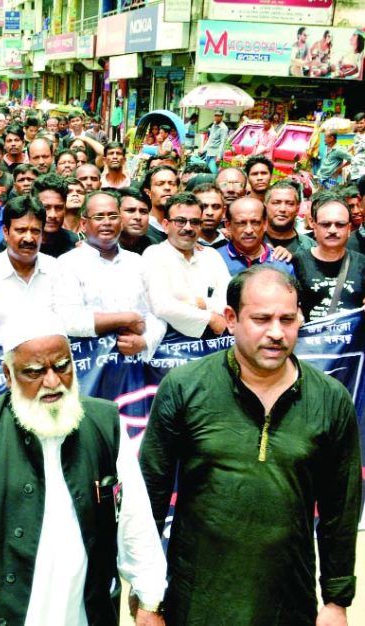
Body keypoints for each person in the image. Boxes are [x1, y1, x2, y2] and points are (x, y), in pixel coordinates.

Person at [0, 319, 167, 626]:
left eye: (62, 366)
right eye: (34, 372)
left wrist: (149, 596)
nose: (52, 381)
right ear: (8, 376)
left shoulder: (106, 424)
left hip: (81, 612)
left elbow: (135, 521)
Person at [140, 265, 361, 625]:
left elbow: (341, 509)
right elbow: (150, 496)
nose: (276, 332)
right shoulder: (185, 387)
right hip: (196, 600)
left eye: (287, 319)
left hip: (288, 599)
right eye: (261, 319)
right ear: (231, 319)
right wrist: (146, 597)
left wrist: (336, 601)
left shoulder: (330, 399)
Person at [56, 191, 165, 359]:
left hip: (135, 364)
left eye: (113, 216)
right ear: (84, 224)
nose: (107, 222)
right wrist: (126, 319)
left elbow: (157, 312)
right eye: (99, 217)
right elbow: (70, 320)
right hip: (90, 366)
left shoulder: (137, 262)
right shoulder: (67, 263)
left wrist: (145, 342)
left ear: (121, 222)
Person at [143, 192, 232, 338]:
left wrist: (200, 303)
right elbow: (162, 306)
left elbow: (228, 299)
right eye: (180, 221)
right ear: (166, 225)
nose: (188, 227)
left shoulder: (211, 255)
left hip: (214, 342)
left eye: (195, 222)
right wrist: (210, 318)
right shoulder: (154, 255)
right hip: (170, 348)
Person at [0, 195, 60, 345]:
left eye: (35, 231)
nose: (28, 238)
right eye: (21, 230)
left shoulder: (56, 269)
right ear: (6, 232)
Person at [292, 192, 365, 321]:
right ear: (314, 227)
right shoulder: (296, 263)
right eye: (325, 224)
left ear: (349, 229)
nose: (332, 230)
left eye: (340, 224)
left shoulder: (362, 264)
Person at [117, 187, 153, 255]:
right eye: (131, 211)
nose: (138, 217)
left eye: (143, 212)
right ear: (116, 213)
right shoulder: (103, 246)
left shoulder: (152, 246)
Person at [191, 182, 228, 248]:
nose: (210, 212)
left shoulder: (233, 245)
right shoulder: (180, 245)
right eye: (203, 207)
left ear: (224, 212)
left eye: (216, 207)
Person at [199, 109, 228, 174]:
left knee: (213, 172)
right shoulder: (213, 125)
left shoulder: (223, 128)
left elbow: (222, 143)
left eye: (218, 115)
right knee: (207, 172)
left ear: (222, 117)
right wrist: (203, 150)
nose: (216, 117)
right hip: (209, 153)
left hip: (215, 154)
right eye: (215, 115)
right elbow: (210, 139)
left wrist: (219, 156)